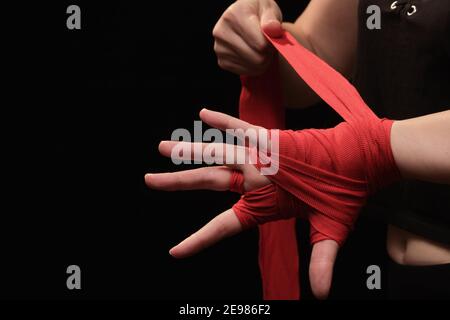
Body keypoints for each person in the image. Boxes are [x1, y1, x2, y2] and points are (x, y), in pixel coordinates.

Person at [146, 0, 450, 299]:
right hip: (389, 259)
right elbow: (318, 49)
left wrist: (358, 151)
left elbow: (361, 149)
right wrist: (259, 42)